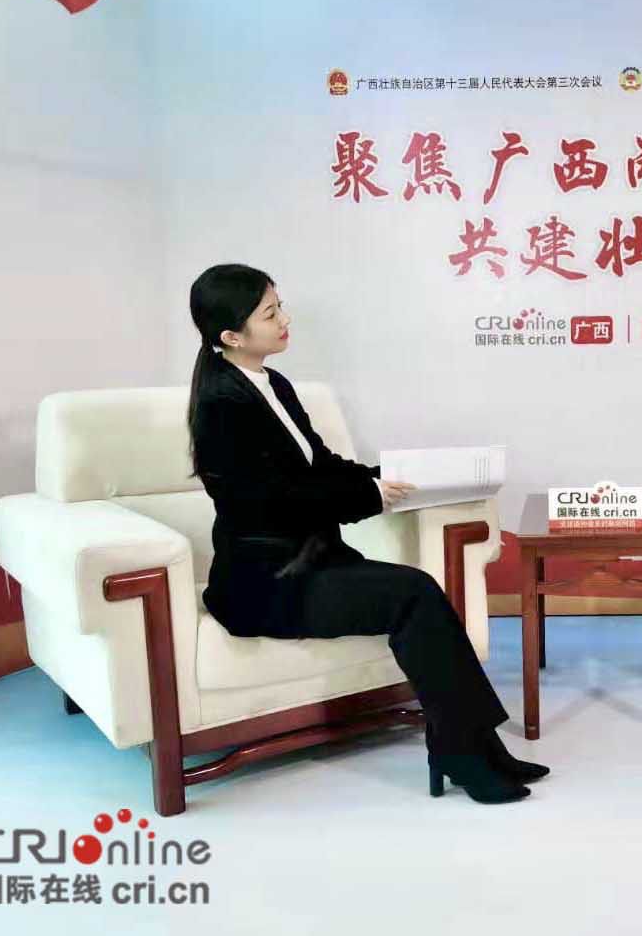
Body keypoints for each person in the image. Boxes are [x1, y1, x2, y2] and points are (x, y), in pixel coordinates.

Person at [187, 263, 547, 805]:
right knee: (413, 594)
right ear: (232, 336)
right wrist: (368, 497)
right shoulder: (220, 407)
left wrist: (387, 477)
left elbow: (318, 464)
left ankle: (475, 746)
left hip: (313, 561)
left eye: (280, 306)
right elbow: (272, 501)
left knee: (420, 595)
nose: (285, 320)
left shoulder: (273, 384)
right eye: (270, 313)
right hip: (265, 584)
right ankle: (465, 751)